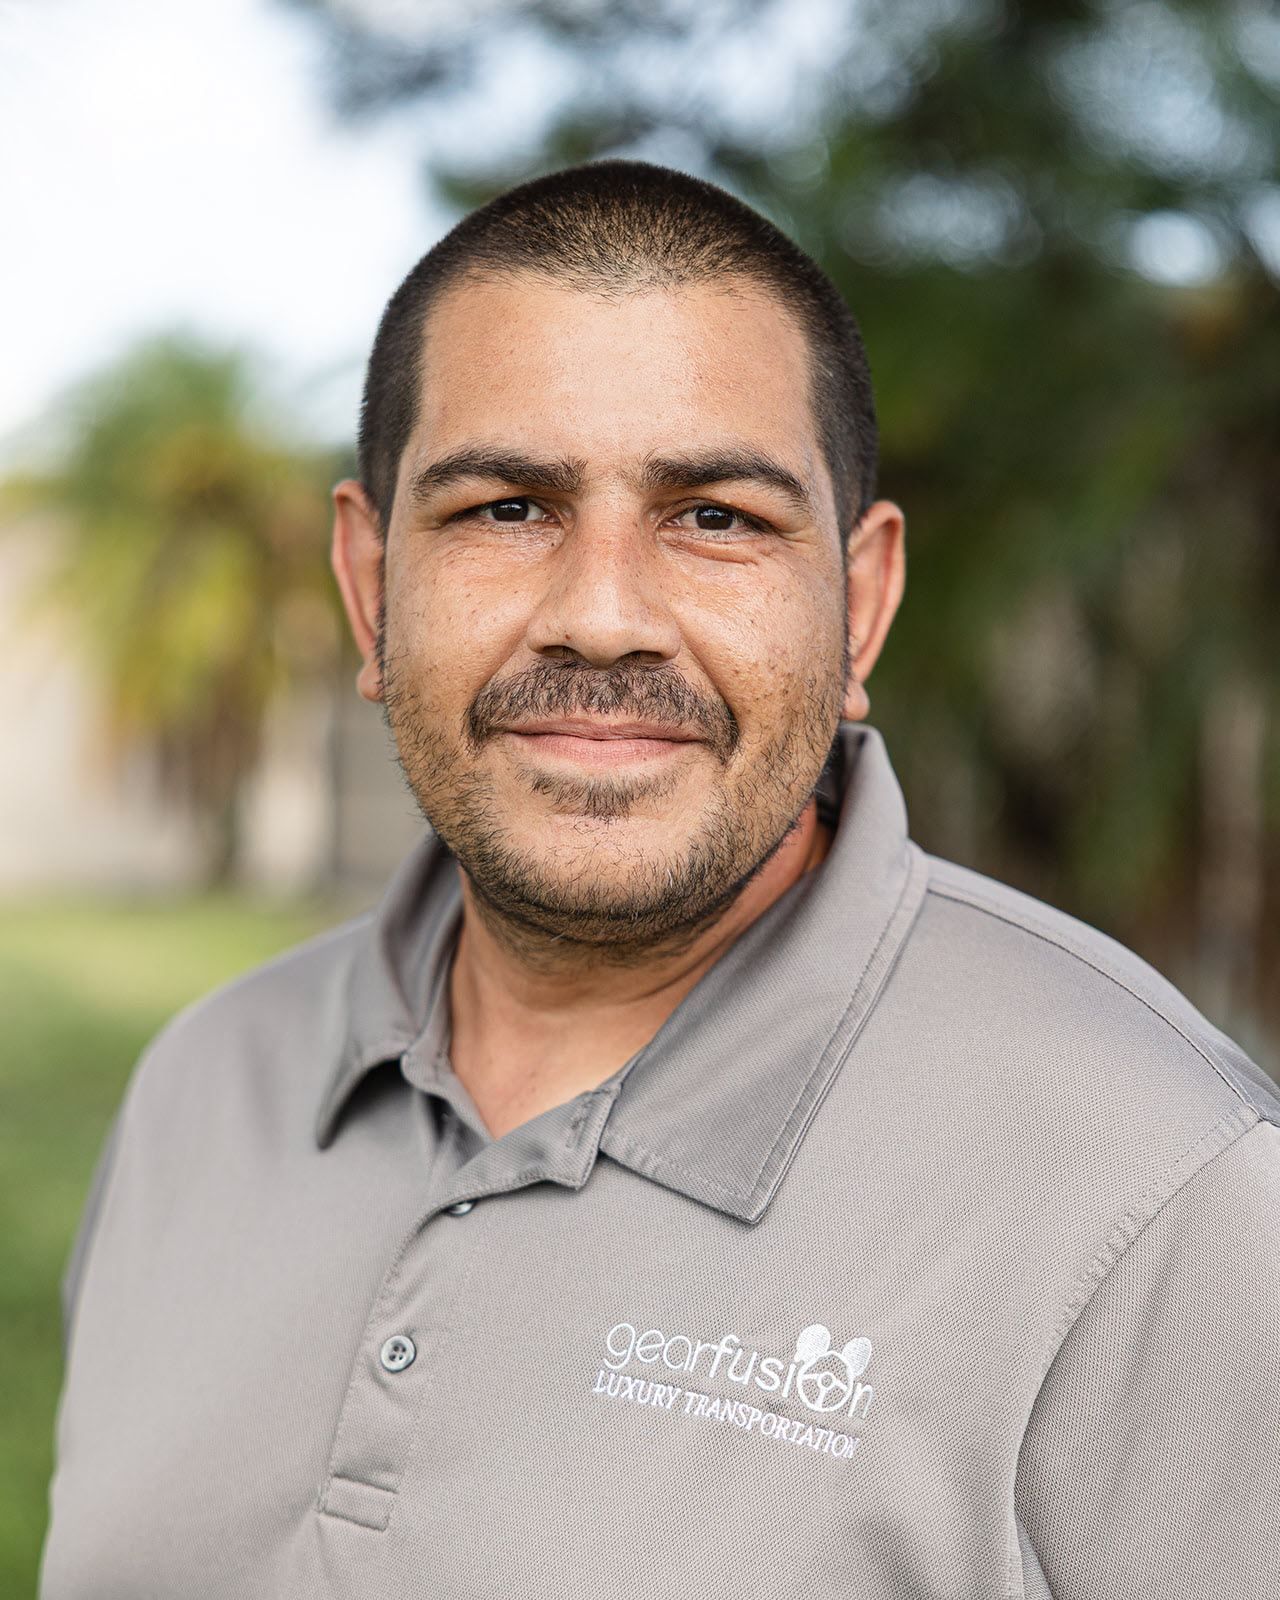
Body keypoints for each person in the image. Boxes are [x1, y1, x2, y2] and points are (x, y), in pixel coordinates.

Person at [40, 160, 1278, 1600]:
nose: (602, 616)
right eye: (506, 508)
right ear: (371, 588)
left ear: (860, 604)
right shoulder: (204, 1088)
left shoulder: (1162, 1189)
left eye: (716, 517)